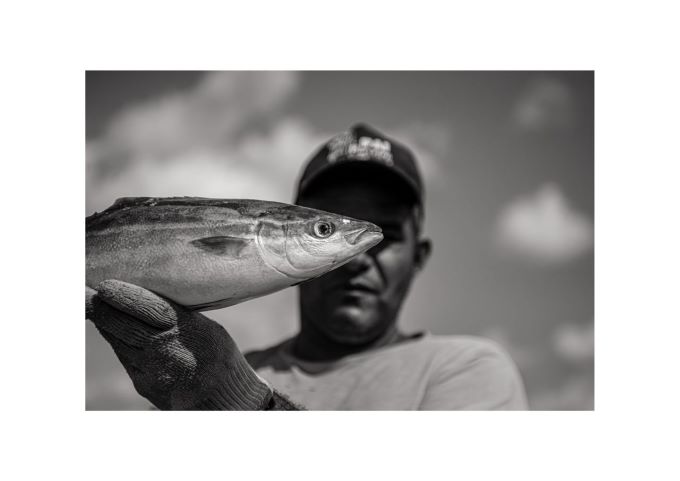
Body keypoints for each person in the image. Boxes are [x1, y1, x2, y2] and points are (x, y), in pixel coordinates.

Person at [86, 123, 528, 410]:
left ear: (420, 256)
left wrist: (237, 401)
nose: (362, 259)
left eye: (389, 236)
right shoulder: (209, 363)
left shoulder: (468, 368)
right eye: (322, 228)